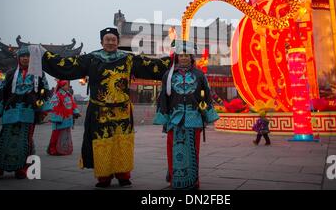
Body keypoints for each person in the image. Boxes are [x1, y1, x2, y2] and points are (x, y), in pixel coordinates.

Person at [40, 27, 171, 188]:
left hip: (121, 112)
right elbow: (68, 66)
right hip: (99, 111)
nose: (110, 42)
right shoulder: (91, 59)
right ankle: (104, 177)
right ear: (101, 42)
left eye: (113, 39)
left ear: (117, 42)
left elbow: (152, 66)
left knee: (122, 143)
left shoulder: (128, 59)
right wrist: (43, 55)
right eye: (107, 39)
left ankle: (124, 175)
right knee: (102, 142)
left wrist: (176, 58)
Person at [153, 40, 220, 190]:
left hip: (193, 118)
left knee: (193, 151)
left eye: (187, 55)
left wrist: (207, 114)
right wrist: (163, 116)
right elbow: (163, 96)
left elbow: (205, 95)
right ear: (176, 57)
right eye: (180, 55)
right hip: (174, 118)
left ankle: (193, 182)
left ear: (191, 57)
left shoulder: (199, 74)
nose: (183, 58)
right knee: (172, 150)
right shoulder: (168, 75)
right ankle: (174, 180)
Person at [0, 46, 52, 181]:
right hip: (11, 110)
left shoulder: (39, 74)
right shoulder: (10, 73)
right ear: (18, 58)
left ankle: (22, 169)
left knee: (25, 141)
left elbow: (44, 91)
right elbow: (1, 92)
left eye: (28, 56)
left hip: (30, 111)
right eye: (23, 56)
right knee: (4, 140)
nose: (25, 58)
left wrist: (43, 109)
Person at [47, 80, 81, 156]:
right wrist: (57, 116)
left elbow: (73, 104)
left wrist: (76, 112)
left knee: (65, 134)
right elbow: (53, 106)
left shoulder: (68, 95)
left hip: (67, 118)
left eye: (67, 85)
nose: (67, 86)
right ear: (62, 86)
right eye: (66, 85)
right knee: (56, 134)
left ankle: (63, 149)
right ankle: (52, 149)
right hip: (59, 118)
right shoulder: (57, 95)